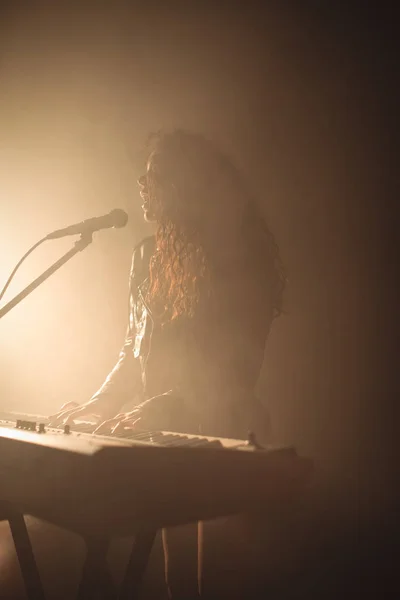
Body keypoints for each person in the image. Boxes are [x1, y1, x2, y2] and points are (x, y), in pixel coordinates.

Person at [48, 129, 286, 597]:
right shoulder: (147, 256)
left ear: (187, 184)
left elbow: (237, 370)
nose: (142, 184)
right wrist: (98, 404)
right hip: (162, 435)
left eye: (155, 174)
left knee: (215, 578)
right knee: (176, 580)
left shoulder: (242, 259)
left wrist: (166, 405)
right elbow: (131, 350)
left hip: (224, 433)